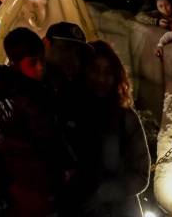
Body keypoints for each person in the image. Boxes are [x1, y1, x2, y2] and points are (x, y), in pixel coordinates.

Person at [0, 27, 71, 217]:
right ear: (15, 63)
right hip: (15, 193)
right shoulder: (3, 94)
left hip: (43, 192)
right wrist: (1, 180)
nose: (40, 67)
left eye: (42, 60)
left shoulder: (46, 89)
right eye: (33, 63)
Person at [59, 40, 150, 216]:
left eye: (108, 72)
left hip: (119, 211)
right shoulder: (68, 112)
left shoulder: (125, 117)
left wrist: (107, 192)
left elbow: (141, 174)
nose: (101, 79)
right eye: (95, 70)